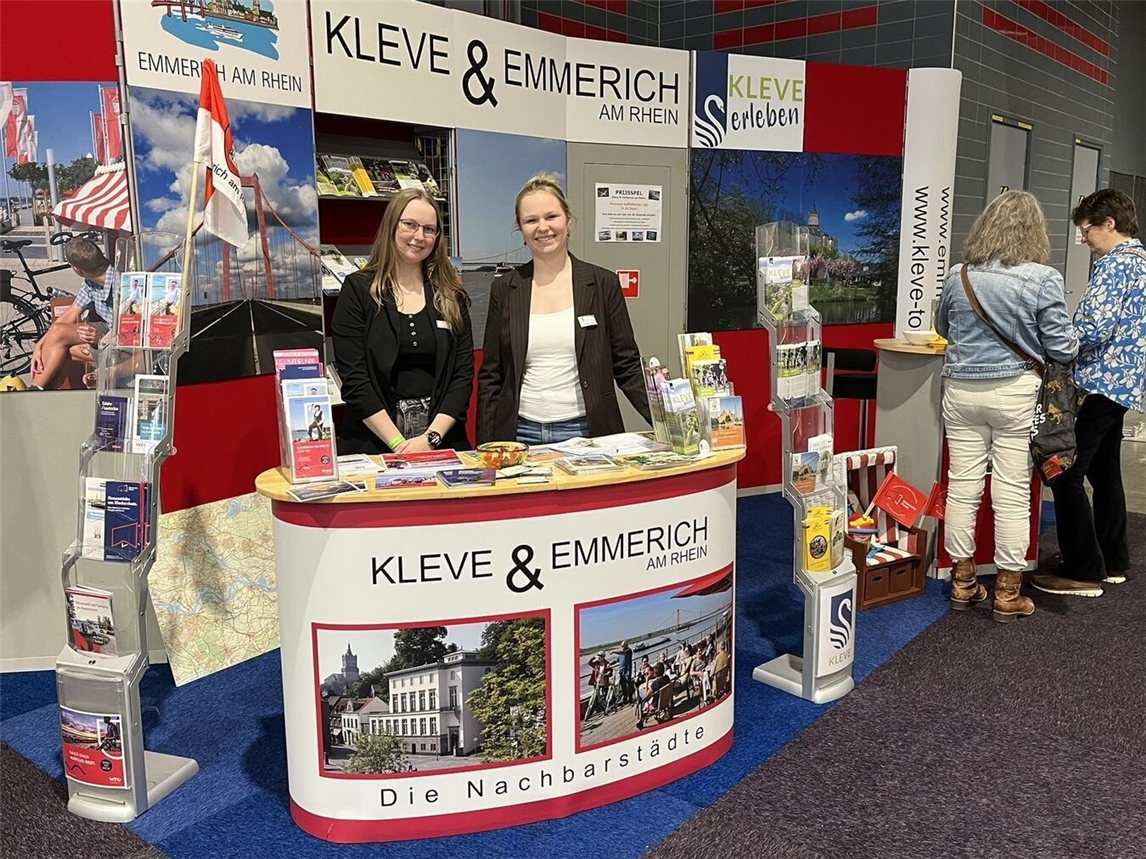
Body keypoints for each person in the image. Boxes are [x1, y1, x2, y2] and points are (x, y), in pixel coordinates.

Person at [936, 191, 1078, 622]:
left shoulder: (959, 275)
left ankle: (963, 583)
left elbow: (943, 326)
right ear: (1034, 231)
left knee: (961, 484)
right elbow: (1062, 345)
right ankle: (1008, 593)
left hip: (960, 391)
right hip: (1015, 391)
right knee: (1013, 492)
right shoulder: (1042, 278)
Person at [476, 173, 651, 445]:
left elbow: (627, 365)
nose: (542, 227)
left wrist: (667, 422)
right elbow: (491, 376)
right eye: (531, 220)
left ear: (568, 221)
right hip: (519, 434)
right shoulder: (506, 289)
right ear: (521, 230)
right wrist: (484, 449)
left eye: (551, 216)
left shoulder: (602, 284)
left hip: (588, 432)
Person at [1032, 189, 1145, 596]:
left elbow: (1095, 327)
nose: (1083, 238)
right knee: (1104, 471)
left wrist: (1056, 342)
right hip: (1123, 382)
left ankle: (1083, 570)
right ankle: (1113, 562)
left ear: (1109, 224)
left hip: (1100, 381)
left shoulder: (1116, 266)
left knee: (1066, 472)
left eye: (1087, 229)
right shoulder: (1139, 261)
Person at [332, 188, 473, 454]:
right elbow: (354, 378)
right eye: (410, 225)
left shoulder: (450, 294)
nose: (419, 237)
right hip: (373, 442)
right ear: (391, 226)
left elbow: (461, 376)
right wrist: (399, 445)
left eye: (429, 229)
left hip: (442, 440)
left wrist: (430, 439)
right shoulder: (358, 290)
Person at [30, 237, 117, 389]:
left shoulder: (120, 283)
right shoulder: (91, 281)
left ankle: (35, 395)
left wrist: (102, 338)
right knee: (57, 334)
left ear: (77, 269)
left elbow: (133, 332)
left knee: (62, 351)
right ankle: (37, 392)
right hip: (109, 329)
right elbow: (69, 315)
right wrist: (40, 344)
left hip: (124, 342)